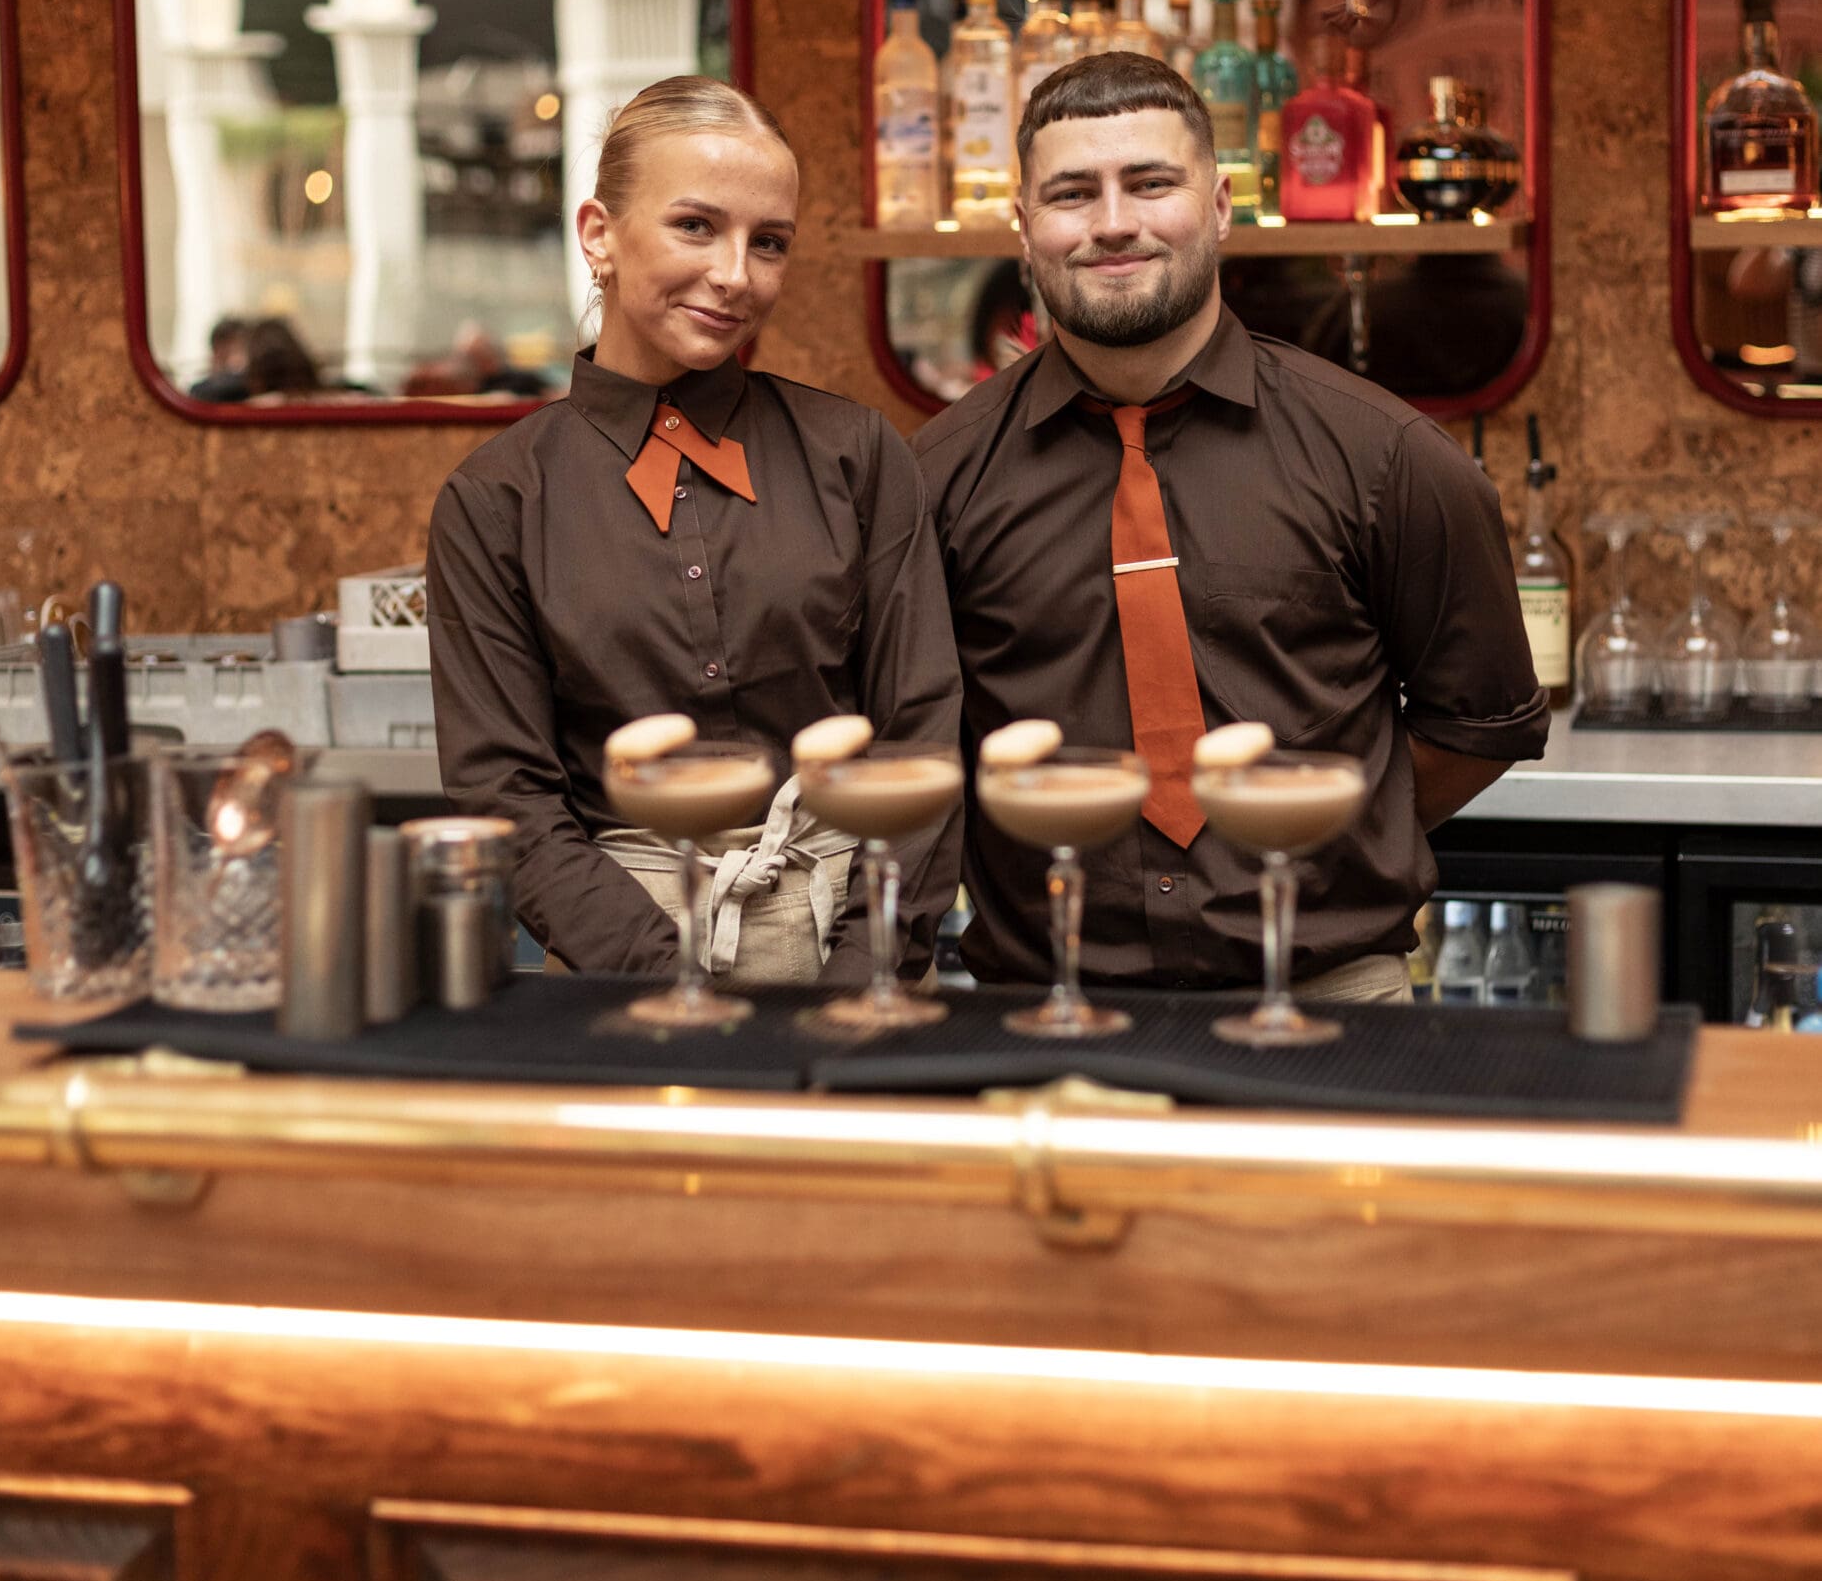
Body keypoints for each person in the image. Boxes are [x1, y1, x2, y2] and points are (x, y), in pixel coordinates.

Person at [914, 52, 1548, 1002]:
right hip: (1041, 1010)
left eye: (1152, 184)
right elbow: (917, 746)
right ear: (1023, 228)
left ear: (1217, 207)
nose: (1115, 223)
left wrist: (1318, 836)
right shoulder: (935, 479)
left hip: (1336, 1005)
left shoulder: (1387, 458)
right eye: (1073, 194)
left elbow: (1480, 724)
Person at [428, 75, 962, 984]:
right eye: (696, 226)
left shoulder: (859, 453)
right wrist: (662, 972)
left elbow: (921, 735)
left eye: (770, 243)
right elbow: (506, 797)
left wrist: (864, 966)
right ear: (599, 235)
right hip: (616, 963)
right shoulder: (496, 500)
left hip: (847, 933)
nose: (734, 275)